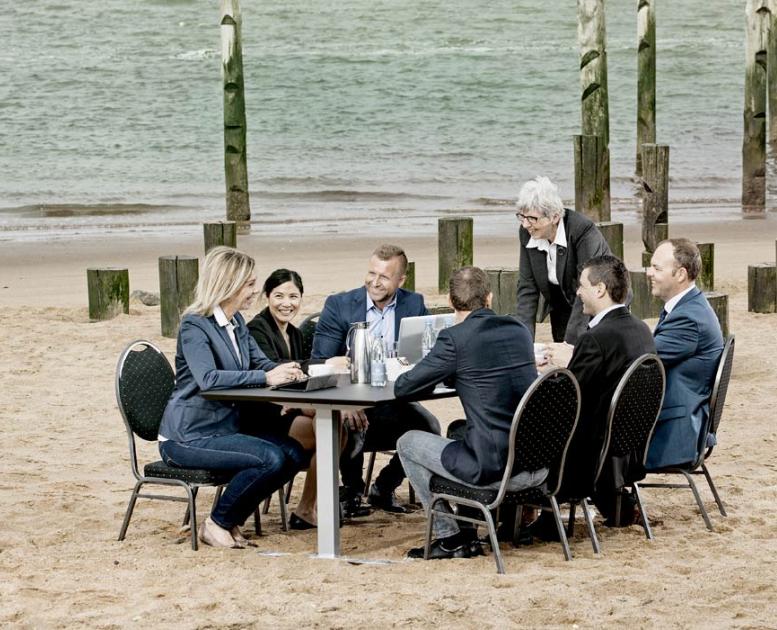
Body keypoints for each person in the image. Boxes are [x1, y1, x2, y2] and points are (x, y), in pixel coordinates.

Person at [158, 247, 309, 548]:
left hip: (223, 430)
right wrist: (267, 378)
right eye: (250, 284)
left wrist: (292, 371)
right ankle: (217, 523)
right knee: (271, 458)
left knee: (293, 453)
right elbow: (209, 379)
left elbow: (262, 364)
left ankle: (230, 520)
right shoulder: (194, 325)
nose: (255, 290)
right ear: (230, 284)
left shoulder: (237, 322)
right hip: (188, 436)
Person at [395, 267, 547, 560]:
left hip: (496, 471)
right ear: (489, 298)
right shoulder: (518, 329)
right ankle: (470, 526)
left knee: (408, 442)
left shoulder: (455, 338)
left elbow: (404, 387)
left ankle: (448, 536)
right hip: (537, 463)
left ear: (450, 301)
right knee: (458, 429)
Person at [311, 244, 441, 516]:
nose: (375, 281)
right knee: (352, 422)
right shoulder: (339, 305)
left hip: (393, 399)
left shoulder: (414, 304)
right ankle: (352, 492)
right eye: (372, 273)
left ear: (401, 280)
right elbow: (319, 362)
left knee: (430, 426)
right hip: (349, 398)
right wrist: (345, 402)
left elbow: (427, 356)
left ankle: (383, 487)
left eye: (384, 276)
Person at [555, 255, 656, 527]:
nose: (578, 292)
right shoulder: (641, 329)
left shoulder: (595, 338)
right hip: (630, 445)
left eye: (582, 286)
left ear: (600, 289)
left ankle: (524, 515)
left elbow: (569, 398)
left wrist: (551, 375)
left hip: (592, 452)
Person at [246, 269, 347, 530]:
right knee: (332, 431)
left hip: (287, 410)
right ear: (267, 296)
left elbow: (300, 380)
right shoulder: (256, 330)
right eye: (279, 296)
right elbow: (276, 368)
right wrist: (326, 363)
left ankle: (308, 507)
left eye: (293, 296)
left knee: (335, 427)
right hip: (262, 414)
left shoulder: (295, 333)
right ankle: (309, 507)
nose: (286, 303)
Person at [645, 239, 724, 470]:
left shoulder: (688, 319)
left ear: (680, 274)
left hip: (672, 434)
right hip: (680, 420)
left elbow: (643, 361)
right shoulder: (690, 307)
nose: (649, 273)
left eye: (657, 268)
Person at [515, 175, 611, 345]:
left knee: (586, 350)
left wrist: (569, 345)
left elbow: (587, 287)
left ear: (554, 217)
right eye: (522, 217)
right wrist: (523, 344)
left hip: (599, 301)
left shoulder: (582, 230)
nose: (525, 224)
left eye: (532, 218)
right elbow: (527, 289)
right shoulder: (527, 233)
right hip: (560, 302)